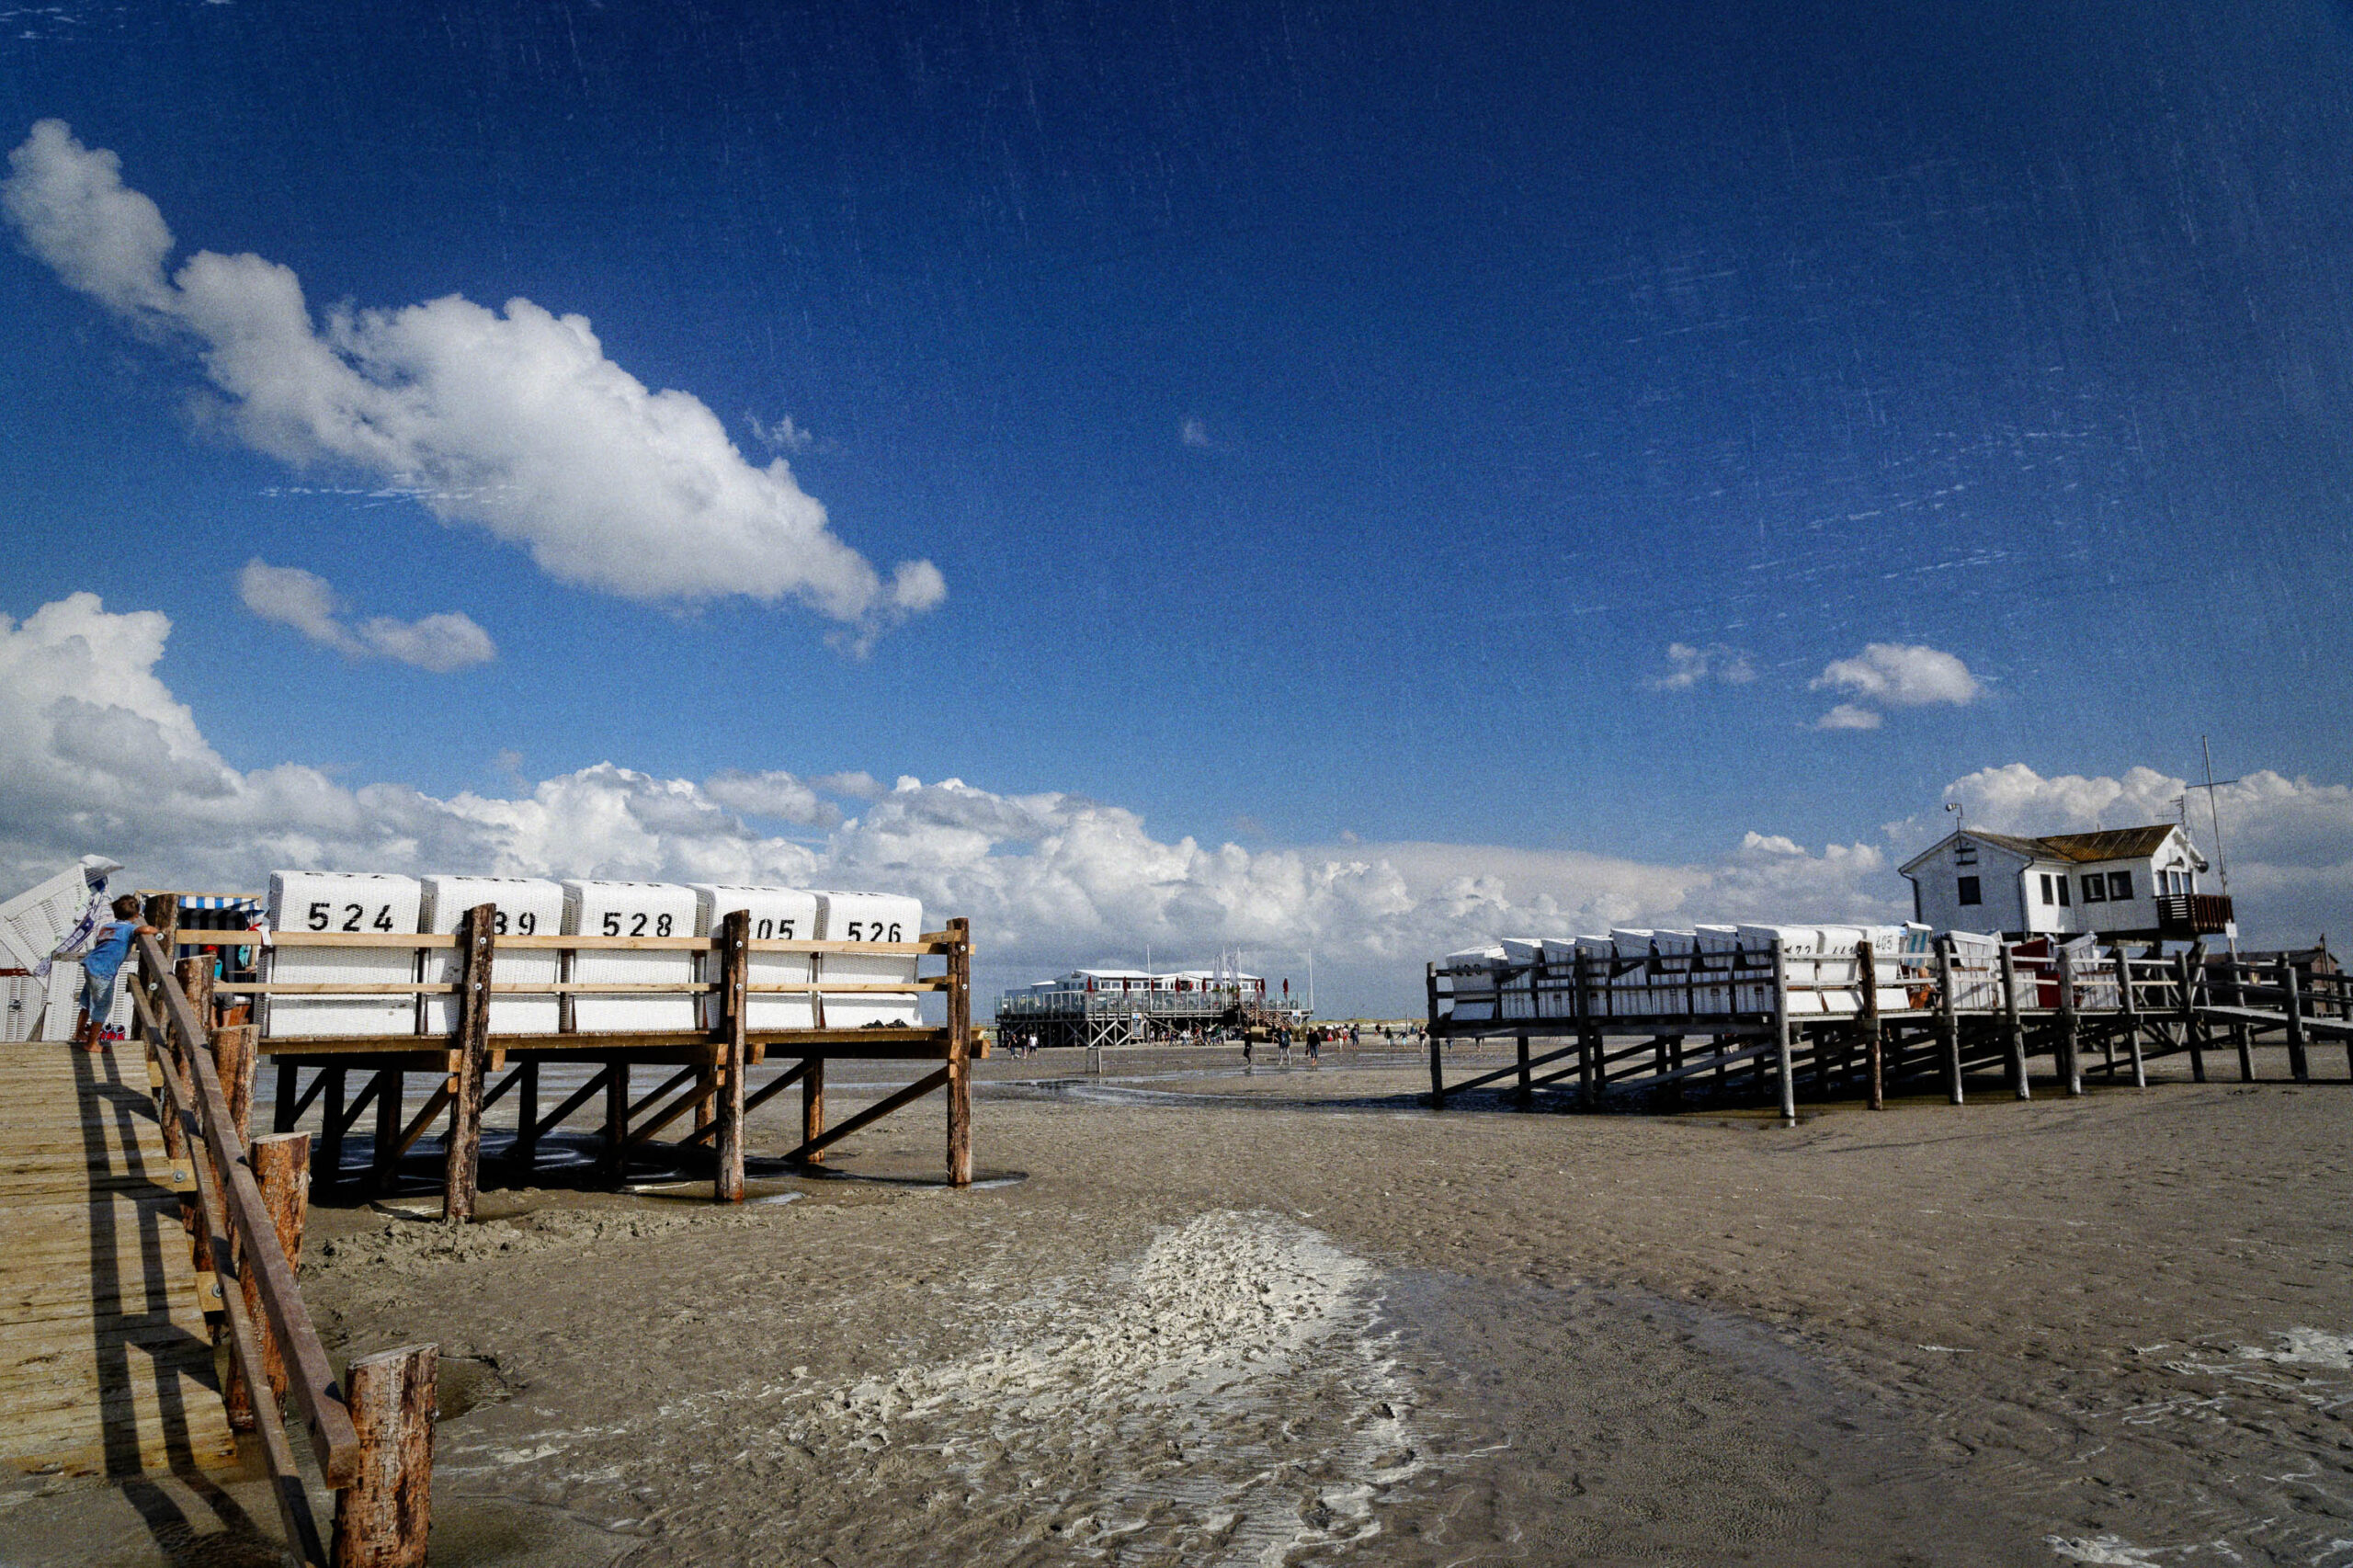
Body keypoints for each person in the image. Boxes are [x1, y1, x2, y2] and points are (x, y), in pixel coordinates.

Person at [73, 894, 156, 1051]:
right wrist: (155, 930)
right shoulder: (129, 929)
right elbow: (144, 929)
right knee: (102, 1006)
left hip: (91, 966)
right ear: (136, 915)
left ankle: (78, 1033)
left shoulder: (108, 927)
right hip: (104, 973)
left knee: (87, 1001)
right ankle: (91, 1044)